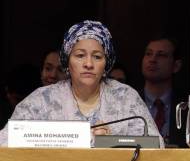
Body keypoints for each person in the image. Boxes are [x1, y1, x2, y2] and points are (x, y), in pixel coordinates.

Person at [0, 20, 163, 147]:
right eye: (80, 55)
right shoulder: (42, 99)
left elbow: (157, 147)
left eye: (97, 57)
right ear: (67, 62)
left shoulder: (125, 97)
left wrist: (111, 143)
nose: (89, 64)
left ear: (106, 64)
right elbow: (5, 143)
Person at [140, 36, 186, 147]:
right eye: (148, 54)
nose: (152, 59)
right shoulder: (127, 102)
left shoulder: (188, 107)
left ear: (176, 66)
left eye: (161, 55)